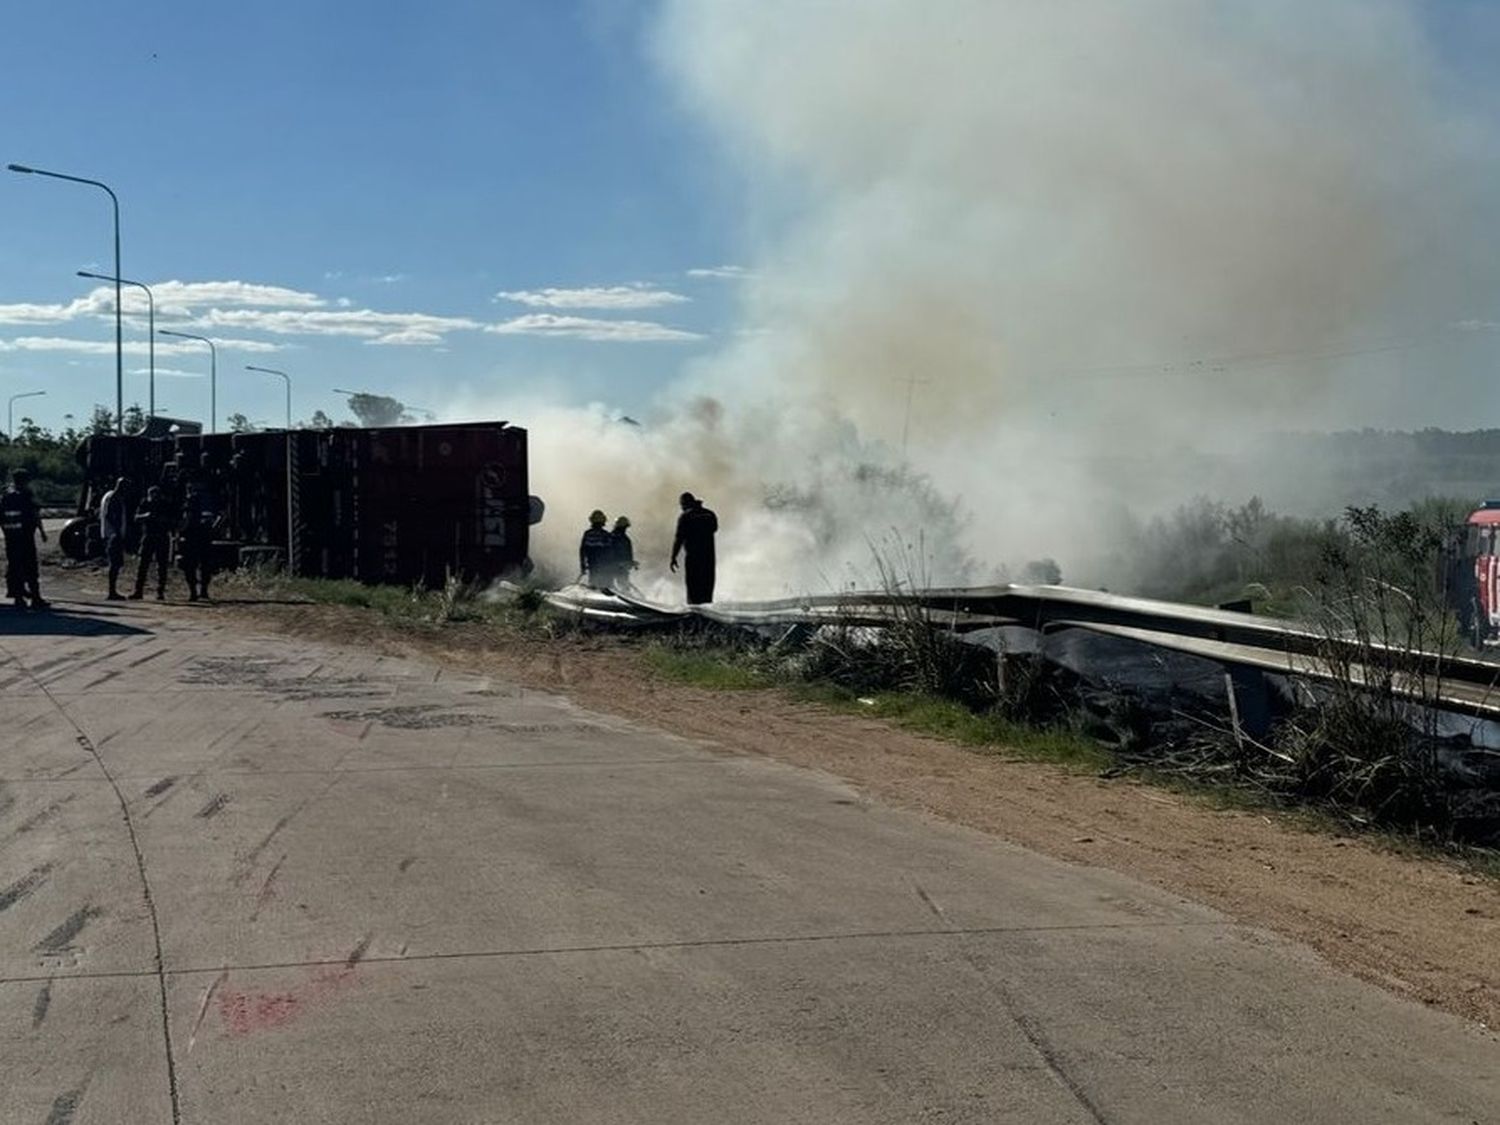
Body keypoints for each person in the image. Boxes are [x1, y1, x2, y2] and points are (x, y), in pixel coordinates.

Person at [1, 469, 48, 609]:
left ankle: (18, 598)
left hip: (10, 537)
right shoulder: (26, 495)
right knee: (30, 566)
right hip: (26, 536)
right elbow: (34, 514)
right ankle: (35, 598)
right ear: (25, 480)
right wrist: (42, 531)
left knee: (15, 566)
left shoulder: (5, 495)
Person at [670, 491, 719, 605]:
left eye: (682, 505)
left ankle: (694, 613)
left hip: (693, 557)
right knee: (707, 584)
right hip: (708, 557)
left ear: (685, 504)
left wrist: (673, 557)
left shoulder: (686, 517)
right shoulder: (710, 514)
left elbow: (679, 538)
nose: (681, 508)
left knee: (693, 586)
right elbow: (714, 529)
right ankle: (707, 610)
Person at [179, 478, 221, 602]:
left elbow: (185, 522)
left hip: (195, 537)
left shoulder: (192, 504)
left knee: (196, 566)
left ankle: (197, 591)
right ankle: (199, 591)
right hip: (199, 537)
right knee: (199, 566)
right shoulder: (203, 504)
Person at [130, 485, 174, 601]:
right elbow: (136, 518)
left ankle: (160, 591)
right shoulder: (145, 504)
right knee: (143, 564)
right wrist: (146, 516)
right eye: (152, 495)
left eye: (157, 495)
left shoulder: (165, 505)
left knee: (162, 566)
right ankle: (138, 590)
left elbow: (172, 520)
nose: (155, 497)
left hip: (161, 536)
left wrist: (163, 520)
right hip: (148, 535)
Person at [99, 476, 131, 600]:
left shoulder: (109, 496)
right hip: (113, 535)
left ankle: (112, 590)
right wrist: (116, 532)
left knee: (115, 563)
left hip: (110, 533)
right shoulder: (114, 498)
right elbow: (109, 515)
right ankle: (112, 591)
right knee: (114, 563)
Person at [578, 509, 614, 588]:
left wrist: (583, 564)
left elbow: (583, 550)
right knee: (604, 585)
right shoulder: (606, 535)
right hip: (602, 565)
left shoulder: (588, 534)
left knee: (594, 584)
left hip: (594, 564)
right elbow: (611, 552)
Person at [605, 515, 637, 592]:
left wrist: (630, 563)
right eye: (624, 528)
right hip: (612, 566)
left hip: (620, 567)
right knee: (614, 586)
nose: (624, 529)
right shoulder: (612, 538)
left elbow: (628, 555)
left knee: (623, 586)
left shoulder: (624, 539)